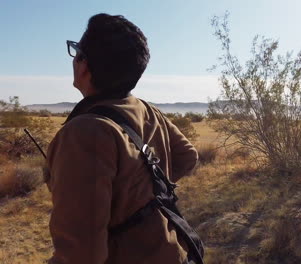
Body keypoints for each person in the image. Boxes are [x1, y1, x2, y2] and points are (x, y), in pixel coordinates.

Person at [45, 13, 198, 264]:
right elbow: (187, 157)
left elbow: (81, 255)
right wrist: (145, 195)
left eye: (76, 51)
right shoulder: (146, 109)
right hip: (170, 253)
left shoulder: (85, 132)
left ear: (84, 64)